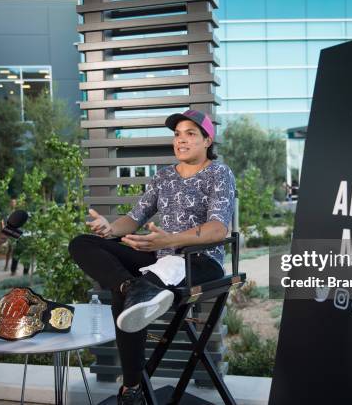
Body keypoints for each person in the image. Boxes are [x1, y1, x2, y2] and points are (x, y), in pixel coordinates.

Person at [69, 110, 235, 405]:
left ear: (208, 140)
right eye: (177, 134)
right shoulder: (163, 177)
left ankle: (131, 389)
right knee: (82, 244)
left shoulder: (218, 173)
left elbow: (218, 229)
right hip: (160, 256)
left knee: (141, 287)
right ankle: (128, 287)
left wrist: (170, 240)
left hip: (199, 261)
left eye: (190, 134)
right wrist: (109, 229)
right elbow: (133, 219)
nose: (181, 140)